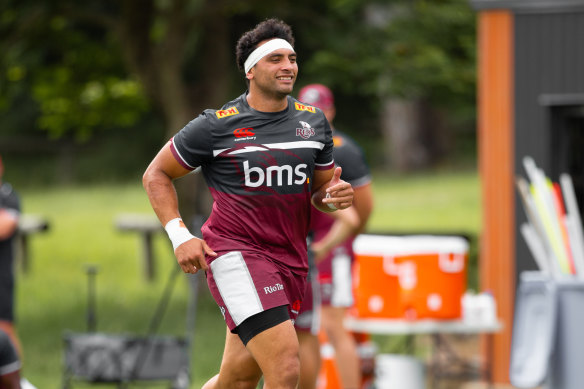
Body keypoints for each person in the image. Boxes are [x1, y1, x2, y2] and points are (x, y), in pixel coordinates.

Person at [142, 19, 354, 389]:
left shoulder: (313, 123)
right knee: (287, 368)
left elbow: (321, 193)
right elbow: (156, 174)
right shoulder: (216, 126)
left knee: (238, 378)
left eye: (291, 58)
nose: (288, 66)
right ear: (251, 70)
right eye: (275, 59)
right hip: (237, 255)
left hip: (291, 257)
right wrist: (180, 236)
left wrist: (334, 199)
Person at [297, 84, 374, 389]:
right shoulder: (299, 146)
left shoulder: (343, 148)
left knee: (334, 326)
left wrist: (333, 244)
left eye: (321, 109)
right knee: (312, 329)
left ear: (332, 110)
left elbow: (361, 209)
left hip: (333, 246)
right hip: (311, 248)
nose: (316, 115)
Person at [0, 155, 22, 363]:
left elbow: (4, 227)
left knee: (5, 329)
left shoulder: (7, 195)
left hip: (1, 276)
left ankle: (15, 376)